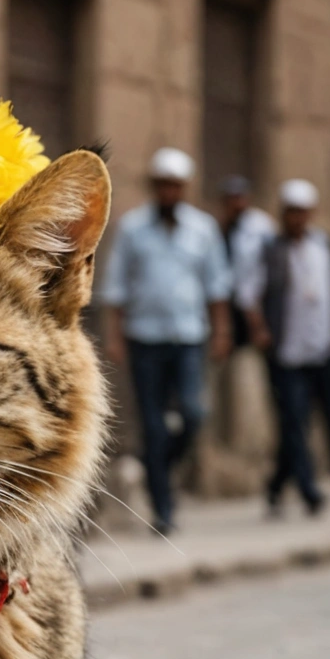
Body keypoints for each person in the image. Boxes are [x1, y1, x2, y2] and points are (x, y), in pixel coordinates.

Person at [99, 147, 233, 534]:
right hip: (145, 339)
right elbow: (117, 287)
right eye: (163, 186)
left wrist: (222, 330)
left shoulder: (203, 229)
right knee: (154, 426)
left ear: (185, 188)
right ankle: (164, 509)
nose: (169, 192)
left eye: (175, 186)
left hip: (189, 337)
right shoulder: (133, 228)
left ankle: (159, 464)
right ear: (154, 187)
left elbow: (217, 285)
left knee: (193, 413)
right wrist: (115, 337)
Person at [244, 179, 330, 515]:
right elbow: (249, 295)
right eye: (291, 212)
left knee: (321, 420)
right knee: (294, 422)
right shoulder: (268, 250)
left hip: (322, 348)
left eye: (302, 212)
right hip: (286, 352)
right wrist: (261, 330)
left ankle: (276, 484)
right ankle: (310, 491)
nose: (297, 218)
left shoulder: (322, 246)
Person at [219, 175, 277, 347]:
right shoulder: (220, 229)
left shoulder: (260, 226)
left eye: (240, 198)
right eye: (232, 199)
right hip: (230, 310)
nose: (237, 204)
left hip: (254, 311)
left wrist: (257, 321)